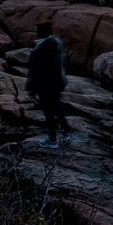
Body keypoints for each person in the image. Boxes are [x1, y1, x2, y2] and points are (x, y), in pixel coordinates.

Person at [25, 19, 71, 148]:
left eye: (35, 31)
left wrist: (31, 89)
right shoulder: (56, 43)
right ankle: (66, 131)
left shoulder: (40, 50)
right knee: (56, 107)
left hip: (46, 85)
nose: (34, 33)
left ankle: (52, 140)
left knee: (48, 112)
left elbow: (35, 72)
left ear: (39, 33)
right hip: (58, 82)